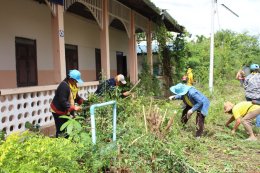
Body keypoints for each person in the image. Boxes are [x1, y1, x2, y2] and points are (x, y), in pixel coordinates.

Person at [50, 69, 85, 137]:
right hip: (58, 111)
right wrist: (73, 107)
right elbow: (62, 101)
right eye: (76, 80)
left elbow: (75, 96)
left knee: (67, 129)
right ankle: (60, 144)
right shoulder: (64, 86)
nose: (77, 82)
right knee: (61, 129)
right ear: (71, 78)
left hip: (66, 110)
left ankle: (66, 142)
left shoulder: (74, 85)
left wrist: (80, 100)